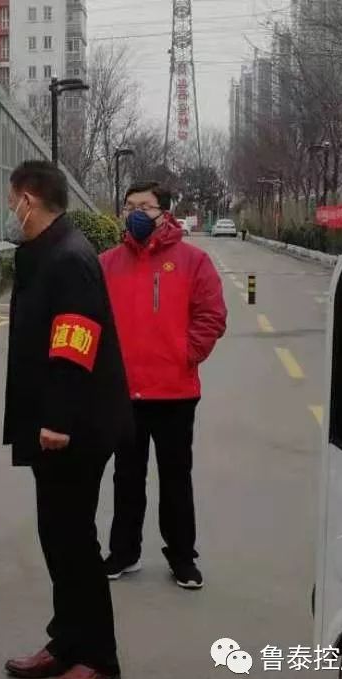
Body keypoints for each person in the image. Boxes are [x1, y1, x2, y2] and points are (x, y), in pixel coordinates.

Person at [2, 161, 132, 679]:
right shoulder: (45, 252)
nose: (9, 209)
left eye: (11, 199)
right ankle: (67, 640)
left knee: (75, 542)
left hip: (74, 428)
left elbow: (75, 341)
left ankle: (98, 658)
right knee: (56, 537)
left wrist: (57, 420)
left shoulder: (69, 257)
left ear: (28, 200)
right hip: (52, 423)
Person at [100, 181, 227, 590]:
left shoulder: (193, 261)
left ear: (165, 213)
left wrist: (185, 354)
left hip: (175, 393)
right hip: (124, 394)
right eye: (129, 206)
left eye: (145, 206)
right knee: (126, 478)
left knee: (175, 479)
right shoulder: (107, 264)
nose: (135, 214)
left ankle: (182, 558)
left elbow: (211, 315)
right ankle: (124, 552)